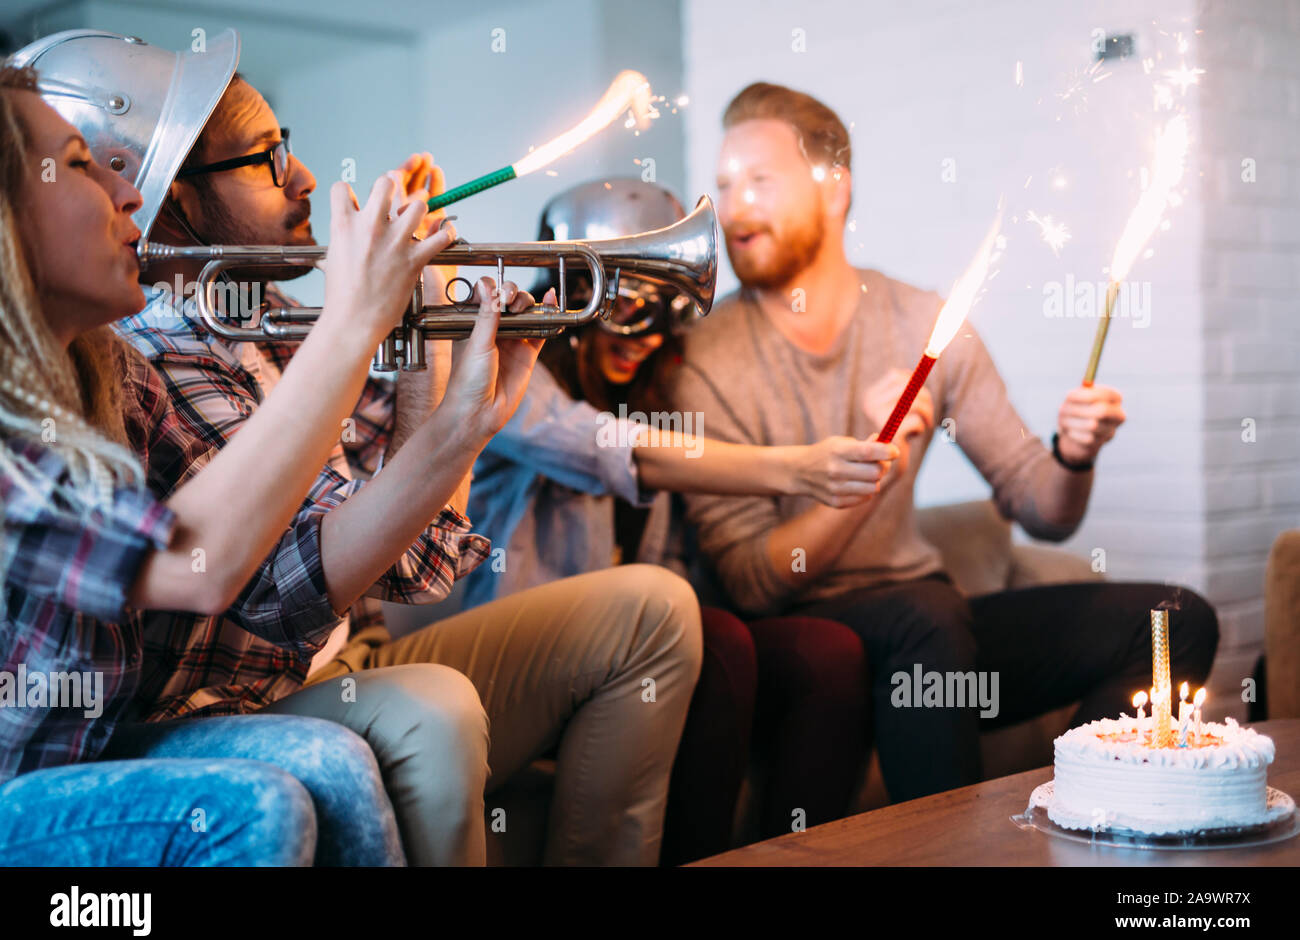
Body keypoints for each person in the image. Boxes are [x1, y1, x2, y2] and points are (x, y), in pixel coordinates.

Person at [27, 30, 703, 865]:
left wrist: (428, 340)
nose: (306, 177)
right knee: (427, 710)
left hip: (328, 661)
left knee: (654, 607)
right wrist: (372, 335)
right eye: (269, 158)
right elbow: (264, 588)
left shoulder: (255, 336)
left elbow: (415, 561)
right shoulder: (142, 359)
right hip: (221, 701)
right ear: (176, 202)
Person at [671, 81, 1220, 804]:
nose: (734, 208)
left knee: (1176, 622)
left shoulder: (925, 320)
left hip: (934, 635)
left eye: (759, 181)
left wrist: (1073, 454)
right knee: (925, 616)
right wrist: (881, 454)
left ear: (834, 190)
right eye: (723, 186)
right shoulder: (704, 356)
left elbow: (1042, 507)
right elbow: (755, 580)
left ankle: (1079, 820)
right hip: (805, 644)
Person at [0, 60, 451, 865]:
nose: (129, 194)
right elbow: (196, 566)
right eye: (77, 166)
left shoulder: (115, 375)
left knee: (335, 770)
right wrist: (354, 320)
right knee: (257, 806)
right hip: (20, 787)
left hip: (91, 753)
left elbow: (302, 560)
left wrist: (468, 409)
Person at [464, 177, 898, 861]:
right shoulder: (505, 376)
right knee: (719, 639)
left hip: (638, 648)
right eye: (624, 304)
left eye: (661, 305)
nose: (643, 333)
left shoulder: (654, 389)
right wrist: (795, 467)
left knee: (829, 654)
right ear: (571, 296)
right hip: (533, 661)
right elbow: (604, 449)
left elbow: (668, 569)